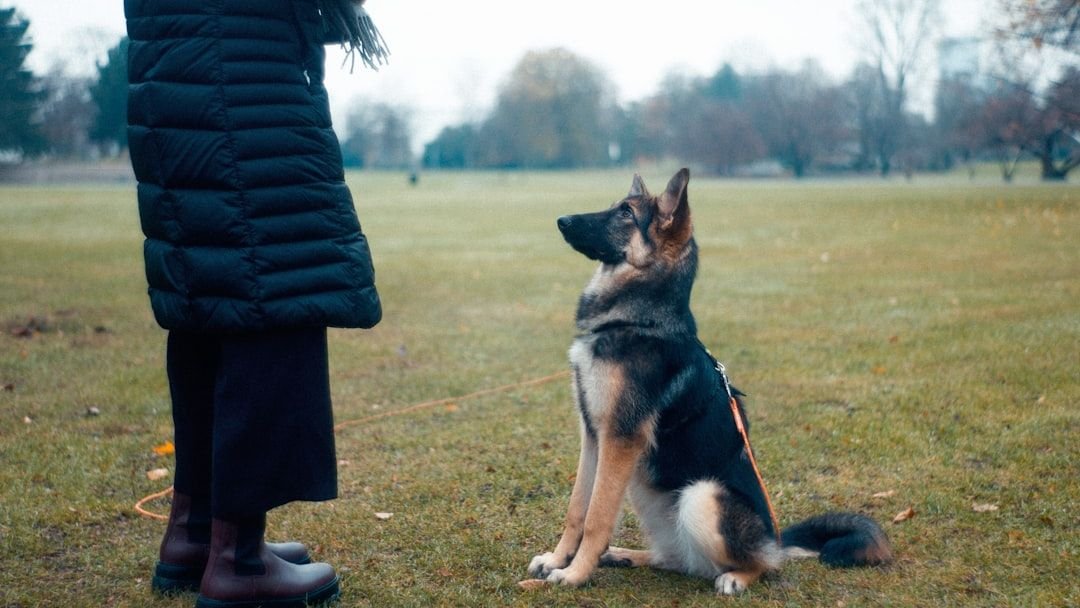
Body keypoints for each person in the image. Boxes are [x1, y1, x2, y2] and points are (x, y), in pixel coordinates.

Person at [124, 1, 387, 605]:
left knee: (215, 291)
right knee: (276, 291)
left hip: (177, 70)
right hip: (238, 72)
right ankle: (239, 559)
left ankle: (196, 533)